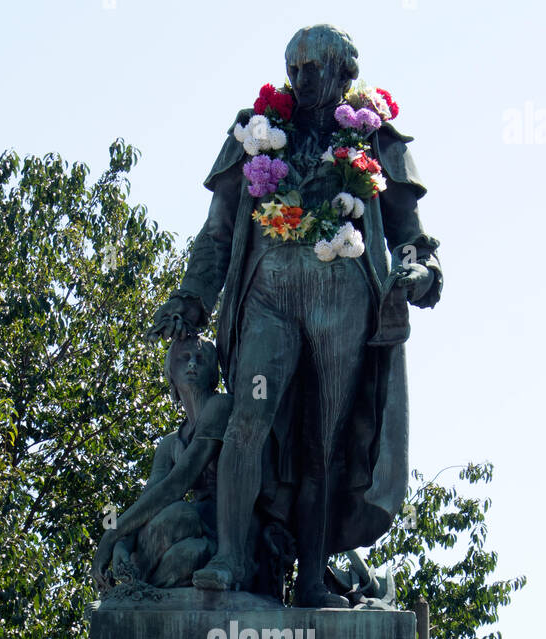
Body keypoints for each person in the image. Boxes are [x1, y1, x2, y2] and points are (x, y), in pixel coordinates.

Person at [150, 23, 442, 606]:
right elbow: (217, 234)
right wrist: (191, 298)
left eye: (315, 68)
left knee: (325, 443)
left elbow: (413, 239)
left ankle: (310, 581)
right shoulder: (255, 132)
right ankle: (231, 559)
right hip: (269, 297)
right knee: (247, 418)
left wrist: (419, 273)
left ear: (345, 72)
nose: (302, 79)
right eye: (295, 68)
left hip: (345, 307)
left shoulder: (378, 139)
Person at [92, 335, 230, 592]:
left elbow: (176, 484)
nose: (192, 365)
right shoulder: (170, 444)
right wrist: (123, 543)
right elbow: (151, 498)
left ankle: (135, 583)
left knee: (185, 533)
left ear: (212, 374)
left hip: (221, 532)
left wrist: (112, 535)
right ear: (171, 375)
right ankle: (133, 580)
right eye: (184, 359)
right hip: (186, 530)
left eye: (200, 360)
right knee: (178, 526)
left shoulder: (220, 407)